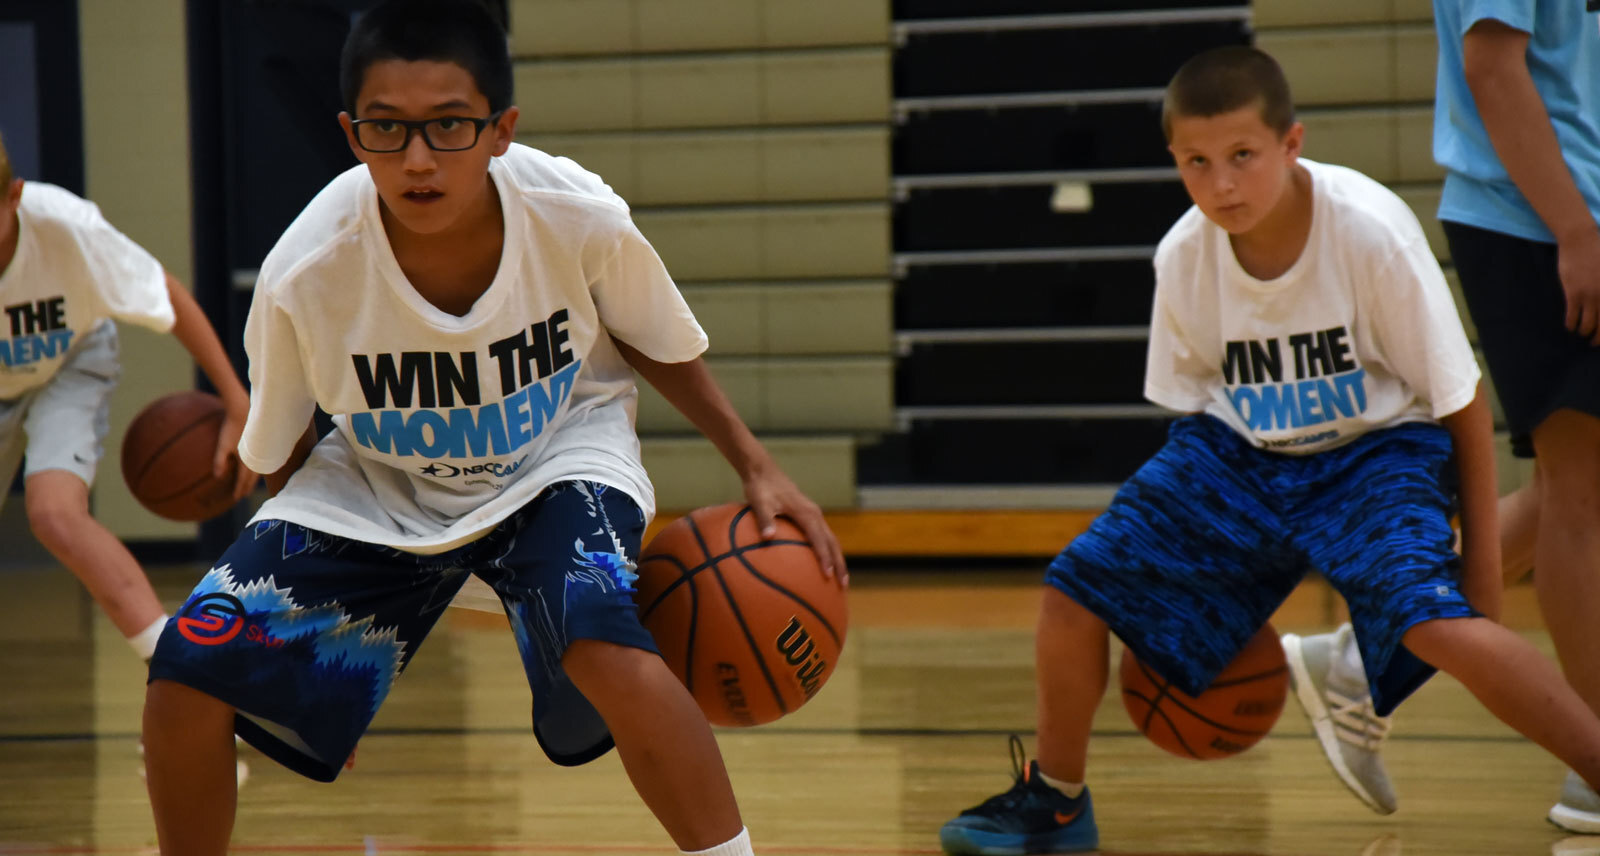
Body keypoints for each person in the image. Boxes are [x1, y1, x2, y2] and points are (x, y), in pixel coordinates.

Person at [139, 2, 846, 855]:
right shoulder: (305, 271)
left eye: (449, 125)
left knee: (600, 640)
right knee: (184, 672)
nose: (418, 158)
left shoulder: (574, 212)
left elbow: (652, 339)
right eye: (387, 128)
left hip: (557, 460)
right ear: (351, 133)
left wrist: (756, 464)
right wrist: (310, 667)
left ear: (501, 129)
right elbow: (284, 447)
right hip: (381, 490)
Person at [936, 45, 1600, 856]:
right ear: (1175, 160)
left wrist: (1483, 579)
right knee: (1075, 589)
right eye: (1197, 162)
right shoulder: (1183, 256)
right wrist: (1191, 576)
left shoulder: (1369, 232)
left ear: (1291, 144)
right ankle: (1058, 802)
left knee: (1442, 627)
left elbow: (1460, 402)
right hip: (1240, 452)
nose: (1222, 184)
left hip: (1376, 450)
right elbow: (1191, 414)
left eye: (1243, 156)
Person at [1281, 0, 1600, 831]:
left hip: (1579, 214)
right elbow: (1491, 67)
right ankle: (1595, 764)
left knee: (1578, 488)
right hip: (1540, 219)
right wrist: (1577, 231)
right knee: (1580, 489)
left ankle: (1366, 653)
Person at [0, 131, 253, 665]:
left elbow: (166, 295)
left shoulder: (67, 227)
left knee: (54, 513)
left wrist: (236, 400)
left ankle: (176, 665)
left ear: (14, 196)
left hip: (69, 361)